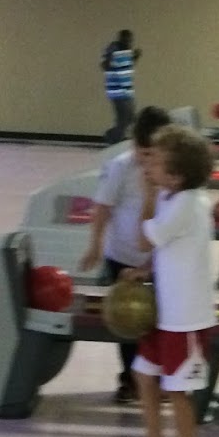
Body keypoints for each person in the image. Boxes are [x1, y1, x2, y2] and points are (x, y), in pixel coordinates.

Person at [115, 124, 216, 437]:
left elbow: (145, 238)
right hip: (165, 312)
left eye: (155, 162)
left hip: (186, 319)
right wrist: (146, 270)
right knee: (143, 375)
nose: (147, 167)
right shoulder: (172, 196)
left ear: (176, 175)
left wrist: (146, 195)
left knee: (177, 393)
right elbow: (163, 246)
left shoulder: (187, 203)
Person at [79, 104, 172, 402]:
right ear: (133, 143)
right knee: (127, 321)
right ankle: (130, 380)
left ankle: (157, 378)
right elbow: (102, 208)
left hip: (159, 258)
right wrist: (95, 245)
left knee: (158, 320)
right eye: (141, 152)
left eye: (152, 154)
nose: (146, 160)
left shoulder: (170, 169)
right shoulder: (120, 166)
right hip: (121, 255)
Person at [100, 29, 140, 143]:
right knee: (123, 119)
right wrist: (109, 57)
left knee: (131, 118)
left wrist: (135, 57)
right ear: (120, 39)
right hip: (116, 90)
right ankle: (115, 140)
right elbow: (104, 66)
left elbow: (127, 67)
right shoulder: (112, 50)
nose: (129, 42)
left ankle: (112, 135)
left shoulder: (127, 51)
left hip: (127, 89)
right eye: (126, 40)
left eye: (130, 40)